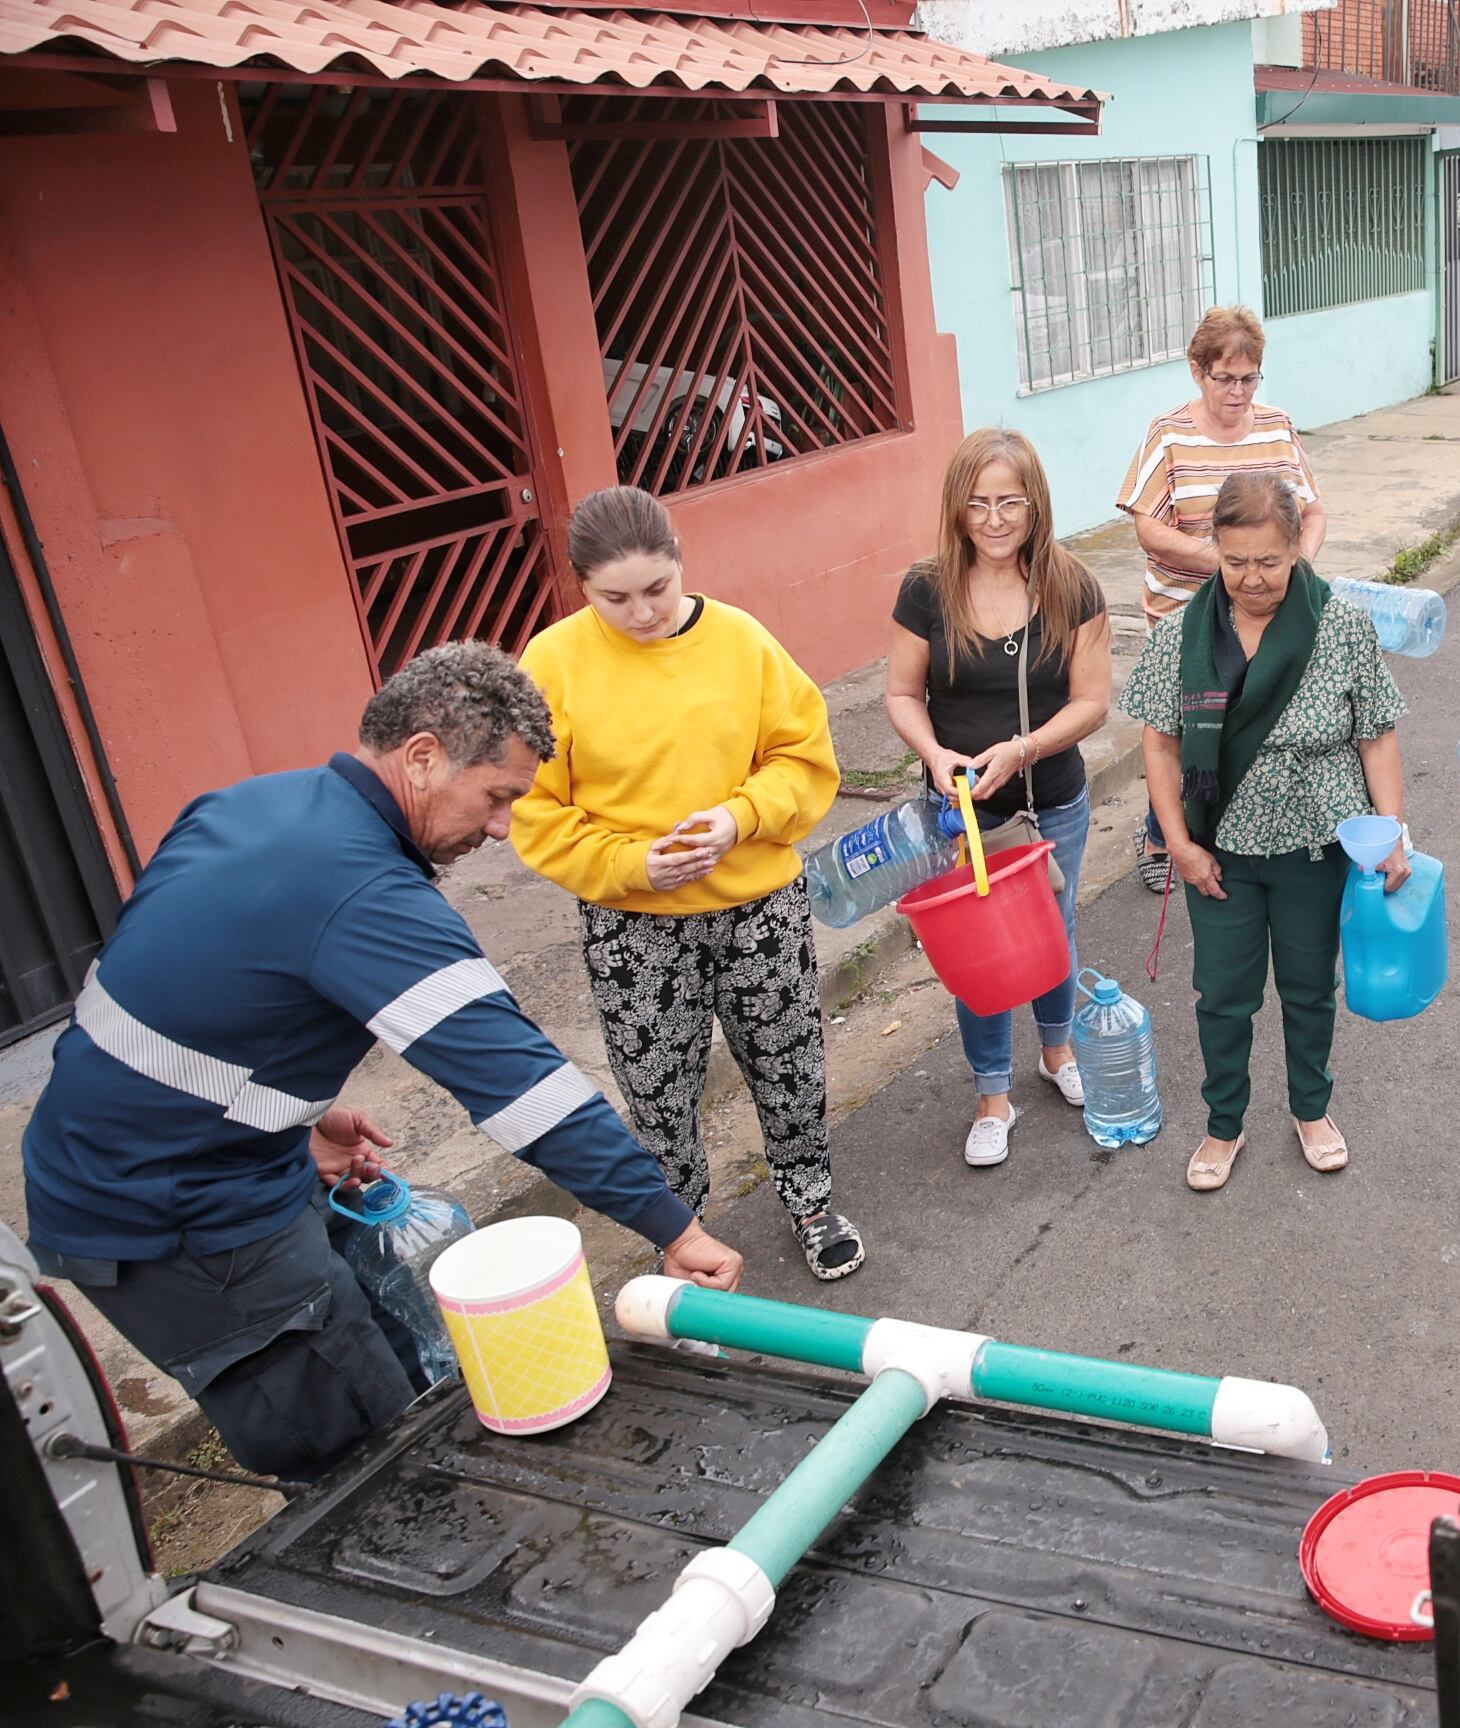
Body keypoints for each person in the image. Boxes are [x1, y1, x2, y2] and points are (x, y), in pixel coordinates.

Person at [17, 644, 744, 1483]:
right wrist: (673, 1226)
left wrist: (301, 1115)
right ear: (425, 756)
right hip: (172, 1218)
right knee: (355, 1451)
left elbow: (199, 993)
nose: (504, 827)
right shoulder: (368, 894)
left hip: (144, 1159)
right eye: (499, 795)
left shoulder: (252, 805)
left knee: (381, 1362)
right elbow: (528, 1093)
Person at [513, 487, 857, 1281]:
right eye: (616, 598)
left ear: (681, 562)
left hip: (756, 904)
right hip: (632, 923)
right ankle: (680, 1235)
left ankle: (810, 1199)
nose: (641, 614)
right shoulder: (552, 663)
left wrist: (741, 819)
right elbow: (534, 810)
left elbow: (805, 759)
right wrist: (632, 865)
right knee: (658, 1092)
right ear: (581, 588)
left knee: (788, 1059)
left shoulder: (742, 641)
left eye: (657, 589)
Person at [1121, 472, 1406, 1192]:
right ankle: (1224, 1124)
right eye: (1236, 560)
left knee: (1309, 989)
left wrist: (1392, 832)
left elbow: (1376, 736)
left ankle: (1312, 1110)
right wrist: (1179, 843)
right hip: (1222, 852)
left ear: (1296, 549)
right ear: (1214, 548)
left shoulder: (1337, 625)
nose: (1252, 578)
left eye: (1269, 562)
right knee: (1222, 995)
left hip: (1317, 847)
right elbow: (1159, 742)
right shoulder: (1187, 632)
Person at [886, 430, 1112, 1167]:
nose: (993, 519)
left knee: (1054, 928)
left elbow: (1092, 703)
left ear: (1034, 504)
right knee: (976, 951)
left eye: (1009, 501)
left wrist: (1025, 748)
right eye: (978, 503)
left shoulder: (1072, 585)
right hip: (961, 813)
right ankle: (991, 1094)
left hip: (1050, 799)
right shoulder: (926, 589)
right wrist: (935, 755)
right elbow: (899, 693)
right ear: (957, 508)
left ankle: (1056, 1052)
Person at [1117, 306, 1327, 894]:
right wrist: (1226, 565)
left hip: (1270, 615)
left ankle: (1241, 827)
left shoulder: (1276, 427)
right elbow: (1147, 527)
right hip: (1188, 619)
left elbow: (1312, 511)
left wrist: (1296, 566)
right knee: (1181, 729)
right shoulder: (1170, 435)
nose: (1237, 392)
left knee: (1256, 724)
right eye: (1224, 378)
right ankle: (1164, 834)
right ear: (1196, 371)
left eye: (1249, 378)